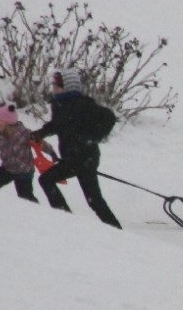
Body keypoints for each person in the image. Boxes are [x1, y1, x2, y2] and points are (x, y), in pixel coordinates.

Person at [31, 68, 122, 229]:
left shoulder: (82, 104)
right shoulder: (59, 104)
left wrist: (92, 137)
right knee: (48, 181)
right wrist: (40, 134)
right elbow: (57, 125)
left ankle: (115, 231)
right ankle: (66, 218)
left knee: (93, 200)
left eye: (57, 84)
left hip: (86, 158)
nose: (54, 87)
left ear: (68, 86)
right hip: (72, 158)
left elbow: (109, 117)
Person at [0, 102, 56, 202]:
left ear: (8, 122)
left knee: (25, 197)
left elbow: (41, 144)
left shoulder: (24, 133)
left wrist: (52, 153)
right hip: (7, 168)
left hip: (24, 171)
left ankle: (35, 209)